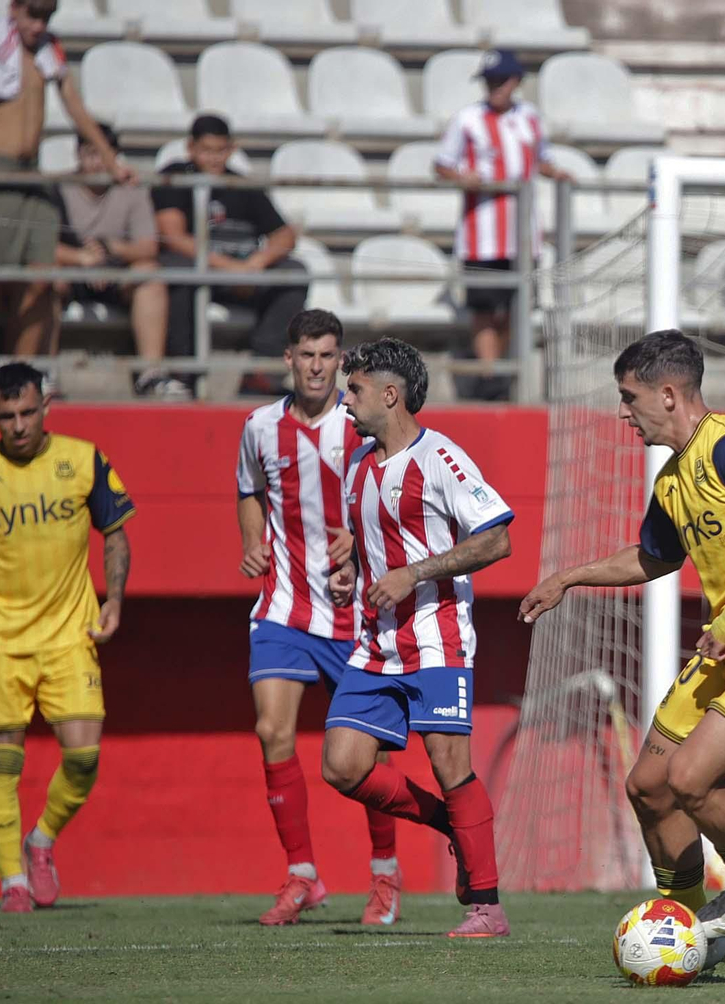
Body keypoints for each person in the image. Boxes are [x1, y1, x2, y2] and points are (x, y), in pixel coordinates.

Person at [520, 330, 725, 969]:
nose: (623, 413)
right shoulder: (673, 479)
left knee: (688, 777)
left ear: (668, 394)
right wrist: (568, 576)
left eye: (629, 396)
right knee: (647, 786)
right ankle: (694, 929)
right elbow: (653, 558)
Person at [319, 338, 515, 939]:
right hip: (376, 643)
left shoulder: (444, 460)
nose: (343, 399)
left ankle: (486, 906)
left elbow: (497, 539)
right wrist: (351, 570)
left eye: (352, 389)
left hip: (438, 638)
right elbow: (368, 539)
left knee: (449, 763)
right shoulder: (357, 466)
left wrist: (416, 571)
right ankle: (451, 827)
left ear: (390, 394)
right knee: (342, 765)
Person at [0, 361, 135, 913]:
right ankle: (14, 880)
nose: (19, 426)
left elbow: (115, 535)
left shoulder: (82, 459)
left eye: (28, 412)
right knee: (2, 762)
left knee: (84, 758)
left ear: (46, 405)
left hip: (71, 633)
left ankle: (40, 840)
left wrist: (114, 597)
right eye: (6, 417)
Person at [236, 310, 407, 927]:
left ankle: (385, 873)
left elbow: (392, 497)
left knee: (364, 756)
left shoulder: (359, 423)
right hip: (282, 606)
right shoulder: (259, 427)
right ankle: (302, 874)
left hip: (354, 614)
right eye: (307, 354)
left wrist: (357, 547)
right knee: (271, 732)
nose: (316, 366)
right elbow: (248, 491)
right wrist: (252, 539)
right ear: (289, 357)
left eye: (328, 356)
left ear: (341, 362)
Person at [0, 1, 134, 367]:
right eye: (32, 16)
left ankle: (20, 371)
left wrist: (112, 162)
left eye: (45, 17)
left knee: (40, 273)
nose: (38, 25)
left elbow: (75, 108)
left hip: (29, 169)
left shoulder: (49, 49)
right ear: (14, 9)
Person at [433, 49, 571, 402]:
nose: (494, 88)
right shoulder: (467, 119)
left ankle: (496, 373)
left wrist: (558, 173)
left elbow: (543, 159)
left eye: (500, 81)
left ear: (515, 82)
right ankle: (491, 375)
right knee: (483, 308)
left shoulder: (530, 118)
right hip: (481, 233)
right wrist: (463, 177)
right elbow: (442, 164)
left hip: (524, 236)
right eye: (489, 82)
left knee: (516, 306)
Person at [154, 114, 307, 396]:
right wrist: (229, 267)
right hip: (201, 271)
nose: (214, 158)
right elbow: (173, 236)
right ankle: (183, 374)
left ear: (231, 148)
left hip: (241, 273)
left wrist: (256, 263)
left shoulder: (241, 185)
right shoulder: (174, 178)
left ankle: (262, 371)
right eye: (206, 150)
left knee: (294, 272)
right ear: (191, 148)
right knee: (176, 270)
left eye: (220, 150)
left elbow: (285, 235)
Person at [55, 123, 182, 399]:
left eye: (103, 153)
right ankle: (41, 373)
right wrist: (82, 259)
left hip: (116, 273)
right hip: (70, 269)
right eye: (89, 153)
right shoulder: (57, 187)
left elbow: (148, 247)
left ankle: (151, 374)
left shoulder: (131, 189)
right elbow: (42, 245)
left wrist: (111, 249)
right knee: (45, 275)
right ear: (77, 154)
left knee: (150, 274)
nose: (96, 162)